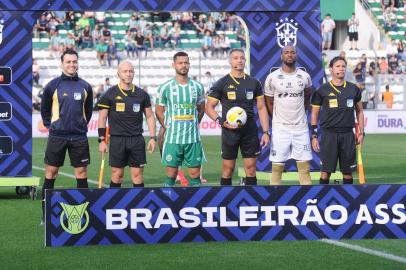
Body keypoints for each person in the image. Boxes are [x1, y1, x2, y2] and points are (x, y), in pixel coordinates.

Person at [40, 49, 93, 223]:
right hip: (58, 136)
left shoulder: (85, 86)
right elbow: (45, 110)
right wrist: (52, 126)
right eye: (68, 62)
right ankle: (45, 215)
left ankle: (83, 215)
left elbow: (88, 111)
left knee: (81, 173)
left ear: (78, 63)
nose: (72, 64)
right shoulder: (52, 85)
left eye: (74, 61)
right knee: (51, 173)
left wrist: (80, 125)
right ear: (62, 64)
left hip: (79, 137)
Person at [205, 48, 270, 186]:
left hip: (249, 131)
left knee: (251, 170)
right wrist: (221, 122)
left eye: (242, 58)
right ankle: (226, 201)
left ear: (245, 60)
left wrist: (265, 132)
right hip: (230, 132)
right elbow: (208, 107)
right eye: (235, 58)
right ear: (230, 61)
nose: (239, 60)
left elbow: (261, 107)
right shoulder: (222, 83)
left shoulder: (254, 82)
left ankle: (252, 200)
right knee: (228, 169)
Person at [97, 61, 156, 188]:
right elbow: (102, 118)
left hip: (136, 139)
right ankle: (114, 204)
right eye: (125, 71)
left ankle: (140, 205)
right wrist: (102, 140)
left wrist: (152, 138)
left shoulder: (142, 94)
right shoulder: (109, 94)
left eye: (131, 71)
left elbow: (150, 116)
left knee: (138, 175)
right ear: (118, 73)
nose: (128, 74)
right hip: (117, 139)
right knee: (117, 175)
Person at [310, 56, 364, 185]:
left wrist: (362, 133)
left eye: (343, 66)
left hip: (348, 135)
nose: (341, 69)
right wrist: (314, 135)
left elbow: (360, 111)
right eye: (338, 66)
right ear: (331, 69)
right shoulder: (321, 90)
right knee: (325, 172)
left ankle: (349, 203)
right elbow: (314, 114)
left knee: (347, 172)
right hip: (329, 135)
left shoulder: (354, 89)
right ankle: (321, 200)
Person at [155, 51, 206, 187]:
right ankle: (168, 204)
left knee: (195, 176)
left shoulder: (198, 87)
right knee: (171, 175)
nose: (184, 65)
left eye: (186, 62)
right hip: (173, 139)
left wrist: (196, 123)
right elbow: (159, 110)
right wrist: (167, 126)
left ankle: (196, 204)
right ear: (174, 65)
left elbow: (202, 108)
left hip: (193, 139)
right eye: (180, 63)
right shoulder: (165, 88)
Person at [264, 45, 312, 186]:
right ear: (281, 56)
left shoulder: (304, 76)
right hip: (280, 129)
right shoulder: (272, 77)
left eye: (292, 52)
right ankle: (274, 201)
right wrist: (277, 119)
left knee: (305, 170)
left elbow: (307, 96)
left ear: (296, 55)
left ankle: (307, 200)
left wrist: (301, 114)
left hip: (301, 129)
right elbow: (269, 102)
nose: (289, 55)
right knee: (277, 168)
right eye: (286, 52)